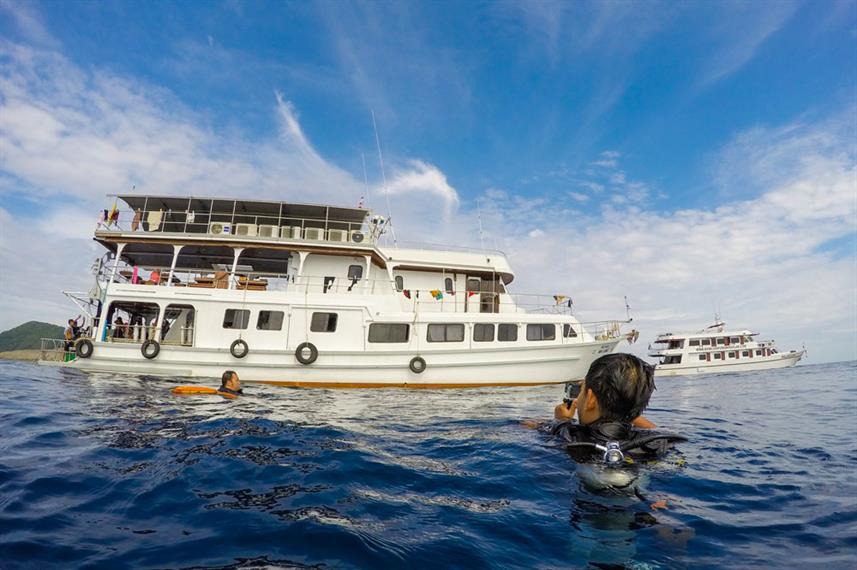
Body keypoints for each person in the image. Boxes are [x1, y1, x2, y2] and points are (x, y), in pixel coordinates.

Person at [552, 353, 684, 462]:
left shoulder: (568, 433)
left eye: (581, 390)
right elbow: (656, 430)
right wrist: (625, 410)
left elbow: (532, 424)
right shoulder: (654, 443)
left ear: (591, 399)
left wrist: (561, 419)